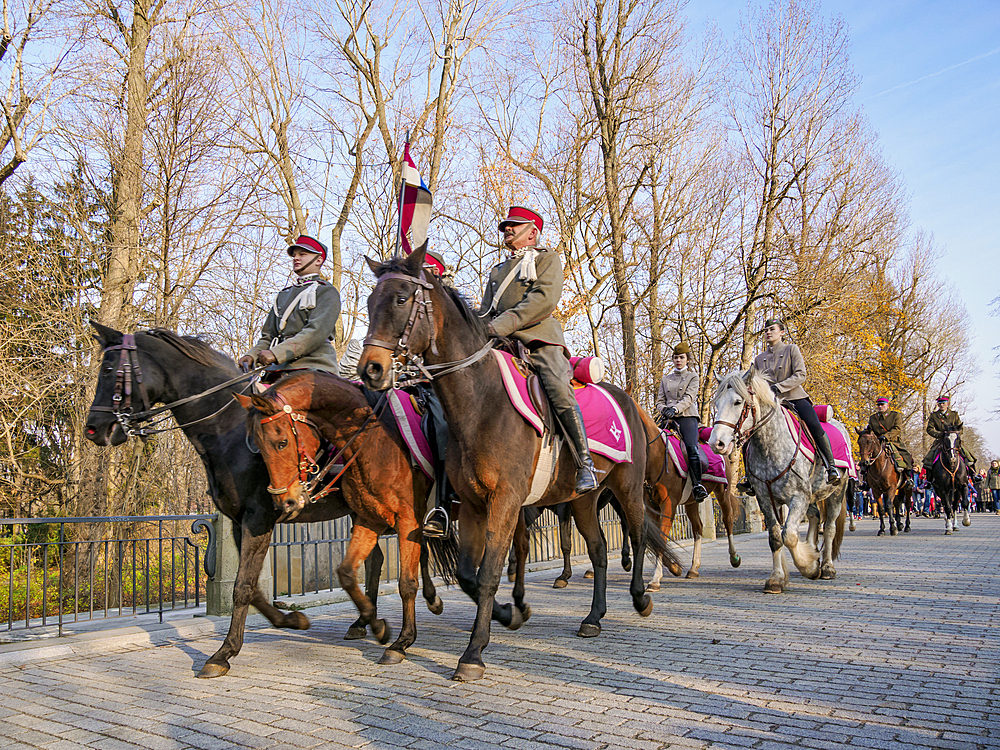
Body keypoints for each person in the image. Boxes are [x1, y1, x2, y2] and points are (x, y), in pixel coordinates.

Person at [478, 206, 598, 494]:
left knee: (558, 386)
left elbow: (543, 300)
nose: (507, 229)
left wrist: (502, 325)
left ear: (532, 232)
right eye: (506, 226)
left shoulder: (547, 259)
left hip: (537, 338)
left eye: (514, 225)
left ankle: (584, 463)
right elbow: (485, 312)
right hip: (498, 341)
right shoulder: (497, 271)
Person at [737, 318, 840, 495]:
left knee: (814, 425)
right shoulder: (759, 359)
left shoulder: (791, 349)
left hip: (794, 397)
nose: (768, 332)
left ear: (782, 332)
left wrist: (780, 387)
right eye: (766, 330)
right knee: (750, 433)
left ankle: (831, 467)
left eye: (772, 329)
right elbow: (754, 380)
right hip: (770, 403)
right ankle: (750, 477)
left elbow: (801, 375)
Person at [239, 235, 341, 381]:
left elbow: (316, 332)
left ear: (318, 260)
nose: (296, 258)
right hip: (277, 369)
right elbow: (268, 336)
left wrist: (276, 353)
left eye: (302, 254)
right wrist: (252, 355)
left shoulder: (326, 291)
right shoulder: (283, 295)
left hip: (313, 366)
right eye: (294, 255)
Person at [412, 249, 456, 538]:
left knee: (442, 427)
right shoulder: (409, 305)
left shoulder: (449, 305)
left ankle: (442, 507)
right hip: (408, 382)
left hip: (440, 386)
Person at [655, 342, 708, 502]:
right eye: (676, 357)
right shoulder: (666, 379)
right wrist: (663, 409)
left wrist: (675, 409)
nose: (678, 360)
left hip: (686, 417)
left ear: (687, 359)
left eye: (681, 357)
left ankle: (697, 485)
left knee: (691, 448)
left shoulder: (693, 377)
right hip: (667, 417)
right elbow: (659, 401)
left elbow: (689, 398)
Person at [922, 395, 977, 475]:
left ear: (947, 404)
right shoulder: (934, 415)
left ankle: (973, 475)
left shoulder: (954, 415)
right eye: (939, 403)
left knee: (969, 456)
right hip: (941, 441)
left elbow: (960, 428)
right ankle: (929, 480)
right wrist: (940, 434)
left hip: (954, 440)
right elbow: (929, 429)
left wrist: (955, 435)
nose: (941, 405)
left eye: (943, 403)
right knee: (929, 458)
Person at [867, 397, 914, 490]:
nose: (880, 407)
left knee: (906, 456)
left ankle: (909, 478)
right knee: (866, 458)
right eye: (878, 405)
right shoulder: (873, 418)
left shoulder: (895, 415)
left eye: (882, 405)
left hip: (893, 441)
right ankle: (866, 481)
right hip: (878, 443)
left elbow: (897, 428)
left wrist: (886, 436)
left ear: (887, 405)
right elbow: (870, 429)